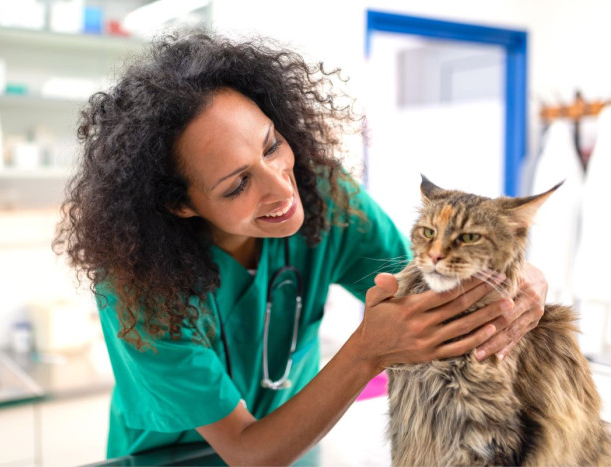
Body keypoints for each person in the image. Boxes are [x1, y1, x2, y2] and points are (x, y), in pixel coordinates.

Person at [53, 31, 547, 465]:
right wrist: (365, 355)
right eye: (237, 184)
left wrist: (523, 278)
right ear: (181, 203)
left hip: (301, 450)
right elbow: (247, 451)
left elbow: (426, 294)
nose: (281, 190)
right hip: (177, 461)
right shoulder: (138, 285)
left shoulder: (330, 199)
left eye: (270, 145)